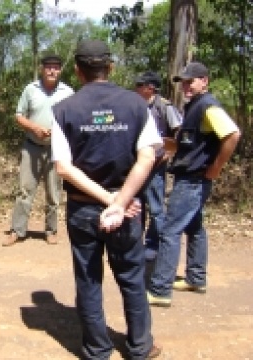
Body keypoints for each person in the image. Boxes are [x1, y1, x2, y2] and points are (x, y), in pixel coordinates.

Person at [52, 39, 162, 359]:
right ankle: (140, 346)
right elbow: (147, 158)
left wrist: (108, 201)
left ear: (77, 70)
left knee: (88, 279)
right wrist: (119, 202)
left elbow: (63, 167)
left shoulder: (63, 109)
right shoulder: (137, 104)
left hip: (83, 208)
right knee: (131, 276)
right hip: (128, 210)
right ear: (110, 67)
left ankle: (98, 350)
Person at [147, 62, 241, 307]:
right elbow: (194, 143)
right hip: (189, 175)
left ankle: (159, 289)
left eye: (191, 81)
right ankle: (196, 278)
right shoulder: (194, 107)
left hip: (193, 179)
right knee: (194, 227)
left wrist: (216, 167)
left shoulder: (208, 106)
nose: (186, 86)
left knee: (170, 230)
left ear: (204, 81)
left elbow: (232, 135)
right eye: (183, 82)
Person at [3, 53, 74, 246]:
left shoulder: (68, 92)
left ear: (60, 70)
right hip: (31, 147)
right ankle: (17, 231)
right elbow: (19, 115)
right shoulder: (30, 89)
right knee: (25, 191)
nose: (52, 70)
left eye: (56, 67)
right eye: (48, 67)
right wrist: (34, 127)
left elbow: (74, 120)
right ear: (42, 69)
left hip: (55, 150)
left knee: (54, 193)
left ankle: (51, 231)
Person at [135, 71, 183, 260]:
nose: (136, 88)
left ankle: (155, 247)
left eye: (140, 85)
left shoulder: (165, 107)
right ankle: (136, 245)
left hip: (156, 166)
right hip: (138, 165)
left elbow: (179, 131)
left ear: (150, 88)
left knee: (156, 209)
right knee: (137, 207)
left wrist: (169, 153)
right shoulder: (136, 105)